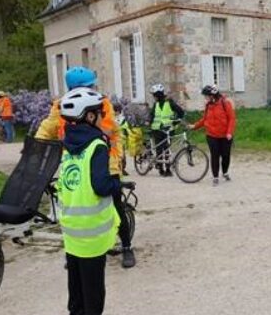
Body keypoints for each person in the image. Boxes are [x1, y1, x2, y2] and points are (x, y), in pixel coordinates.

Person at [36, 66, 135, 268]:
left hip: (105, 161)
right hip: (75, 162)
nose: (94, 89)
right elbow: (48, 128)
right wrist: (35, 148)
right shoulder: (60, 106)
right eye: (91, 85)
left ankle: (126, 246)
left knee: (114, 207)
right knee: (73, 210)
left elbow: (112, 130)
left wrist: (90, 121)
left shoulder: (100, 104)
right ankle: (75, 250)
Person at [57, 87, 121, 315]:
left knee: (76, 292)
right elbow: (101, 186)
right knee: (94, 295)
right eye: (99, 113)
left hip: (72, 231)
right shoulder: (97, 145)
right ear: (90, 116)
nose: (102, 117)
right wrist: (118, 184)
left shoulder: (68, 147)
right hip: (92, 234)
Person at [189, 84, 236, 186]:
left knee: (225, 156)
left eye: (206, 95)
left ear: (212, 95)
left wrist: (229, 132)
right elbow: (205, 119)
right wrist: (195, 126)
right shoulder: (208, 105)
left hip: (225, 136)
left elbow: (232, 119)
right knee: (214, 156)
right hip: (211, 135)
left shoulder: (225, 103)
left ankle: (225, 172)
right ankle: (215, 177)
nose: (205, 98)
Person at [147, 84, 185, 177]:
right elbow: (152, 115)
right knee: (159, 149)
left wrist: (176, 121)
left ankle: (168, 169)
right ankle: (161, 168)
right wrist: (148, 122)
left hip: (168, 130)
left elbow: (180, 112)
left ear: (159, 95)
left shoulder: (170, 103)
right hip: (157, 130)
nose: (154, 97)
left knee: (167, 149)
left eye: (154, 95)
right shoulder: (156, 104)